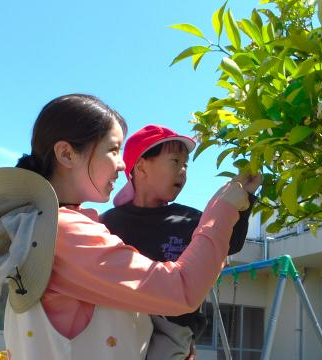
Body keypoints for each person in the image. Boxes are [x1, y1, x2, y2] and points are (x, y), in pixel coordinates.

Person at [0, 94, 261, 360]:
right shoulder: (66, 233)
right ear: (66, 153)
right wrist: (225, 205)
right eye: (113, 150)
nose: (120, 164)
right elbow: (181, 289)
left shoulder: (32, 225)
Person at [100, 124, 258, 359]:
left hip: (173, 331)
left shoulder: (190, 218)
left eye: (185, 164)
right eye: (175, 161)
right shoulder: (108, 224)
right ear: (141, 167)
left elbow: (230, 242)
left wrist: (243, 199)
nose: (183, 170)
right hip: (120, 327)